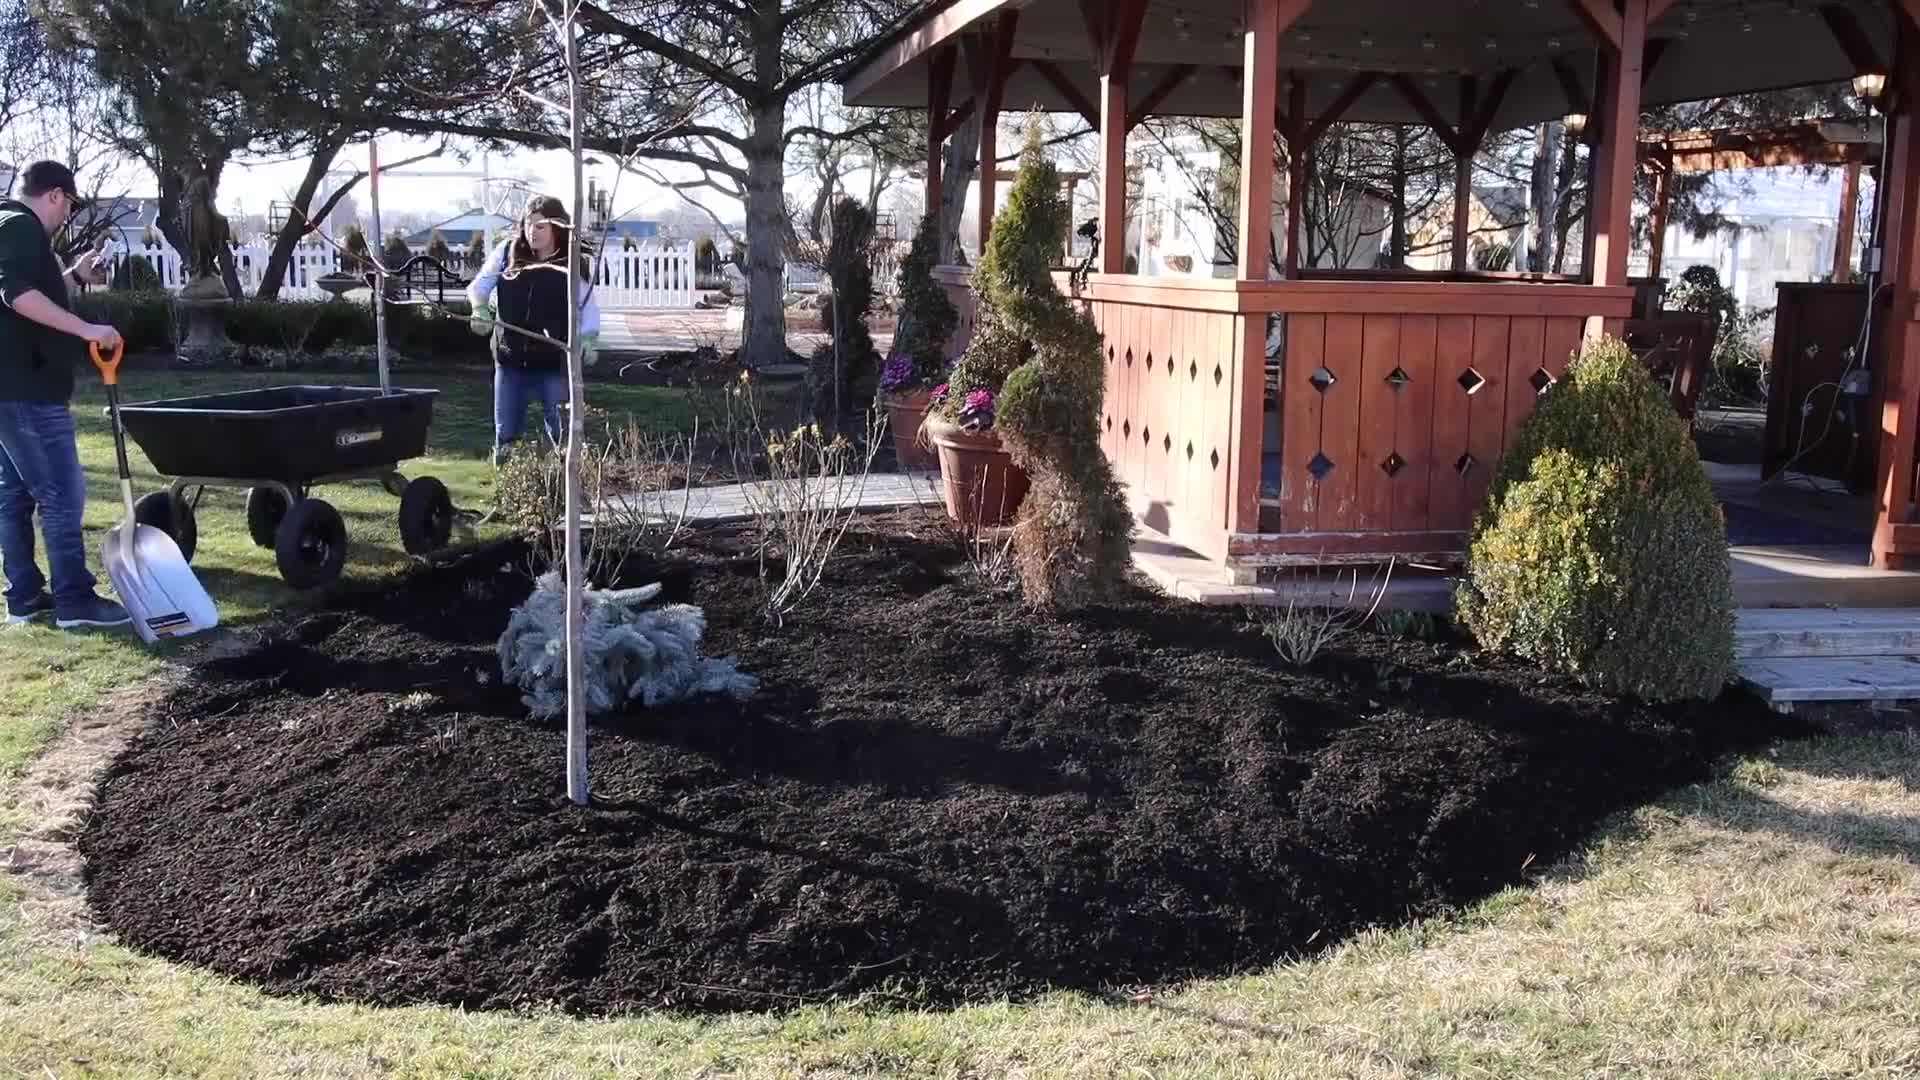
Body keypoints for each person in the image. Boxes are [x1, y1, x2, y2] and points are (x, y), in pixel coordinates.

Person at [0, 161, 129, 629]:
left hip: (13, 387)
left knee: (16, 493)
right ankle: (75, 601)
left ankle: (26, 597)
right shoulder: (18, 225)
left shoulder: (10, 228)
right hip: (28, 389)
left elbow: (28, 296)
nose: (68, 215)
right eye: (70, 205)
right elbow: (15, 296)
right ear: (55, 195)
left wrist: (73, 278)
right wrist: (88, 328)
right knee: (61, 492)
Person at [467, 194, 600, 465]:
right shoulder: (508, 252)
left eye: (540, 226)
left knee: (559, 430)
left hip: (552, 360)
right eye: (529, 224)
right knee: (506, 432)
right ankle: (507, 482)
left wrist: (588, 337)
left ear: (557, 228)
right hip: (509, 356)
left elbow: (587, 307)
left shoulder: (571, 262)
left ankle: (561, 482)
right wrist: (479, 308)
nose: (532, 231)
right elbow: (480, 286)